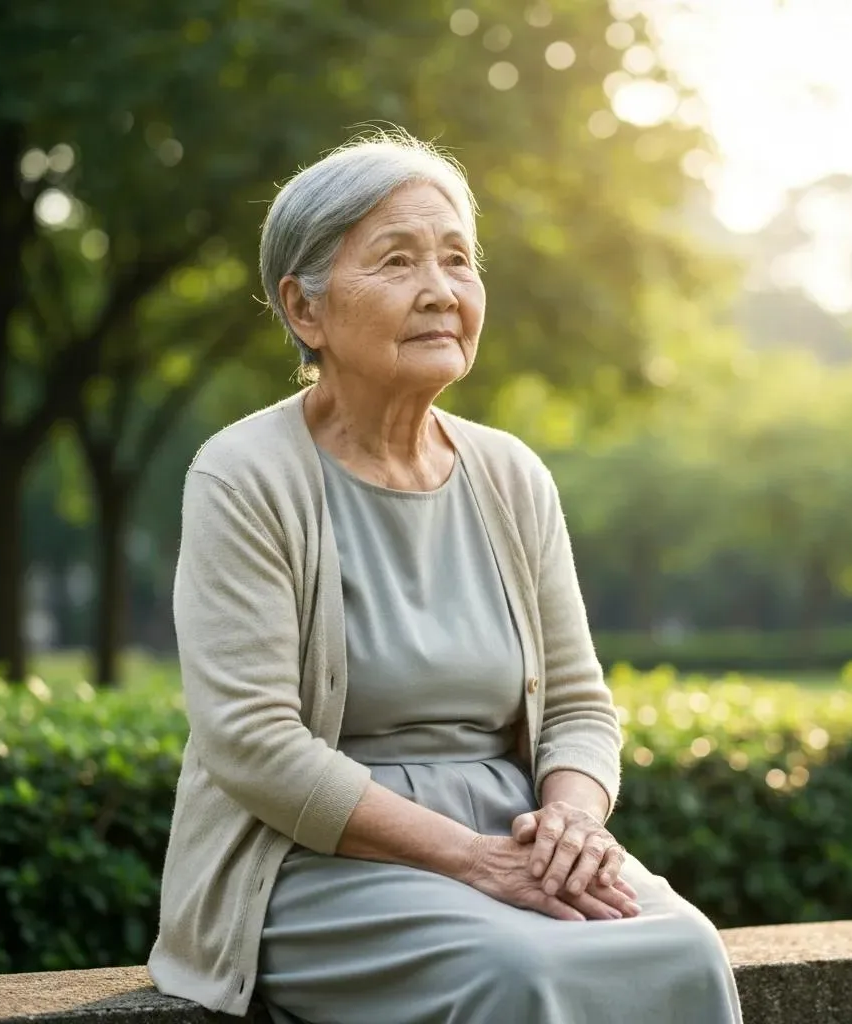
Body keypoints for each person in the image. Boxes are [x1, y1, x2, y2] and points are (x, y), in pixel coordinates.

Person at [148, 130, 743, 1024]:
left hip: (514, 836)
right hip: (316, 859)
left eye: (458, 260)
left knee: (684, 949)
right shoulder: (242, 476)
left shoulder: (510, 475)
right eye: (397, 260)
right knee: (513, 971)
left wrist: (571, 824)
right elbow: (251, 742)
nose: (441, 290)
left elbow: (579, 706)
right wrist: (468, 859)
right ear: (304, 310)